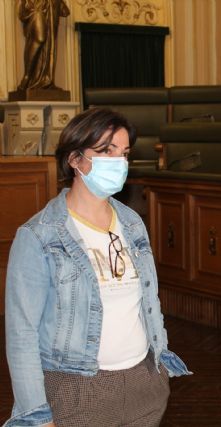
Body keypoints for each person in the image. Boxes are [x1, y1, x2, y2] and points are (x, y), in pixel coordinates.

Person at [4, 108, 190, 427]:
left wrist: (158, 370)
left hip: (144, 384)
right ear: (75, 160)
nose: (118, 162)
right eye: (106, 151)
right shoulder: (39, 235)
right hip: (78, 389)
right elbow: (21, 333)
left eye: (124, 152)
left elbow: (149, 300)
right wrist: (36, 414)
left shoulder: (131, 223)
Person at [17, 0, 70, 91]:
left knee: (48, 46)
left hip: (50, 8)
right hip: (36, 8)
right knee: (40, 39)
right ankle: (27, 76)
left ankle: (45, 80)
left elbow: (65, 12)